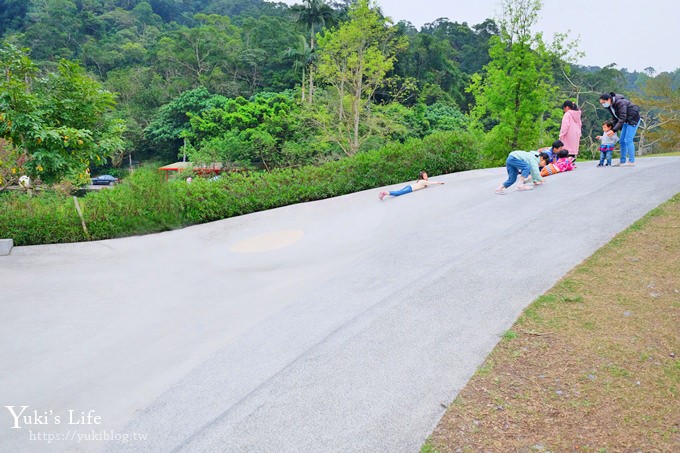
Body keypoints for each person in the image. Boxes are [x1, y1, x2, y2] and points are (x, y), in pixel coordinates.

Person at [599, 92, 641, 166]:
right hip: (625, 121)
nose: (603, 104)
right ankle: (622, 161)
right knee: (622, 140)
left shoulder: (620, 103)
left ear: (609, 99)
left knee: (629, 139)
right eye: (601, 103)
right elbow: (615, 118)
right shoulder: (609, 106)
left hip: (633, 119)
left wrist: (614, 130)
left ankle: (631, 161)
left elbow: (622, 117)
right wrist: (611, 128)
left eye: (603, 102)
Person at [379, 171, 445, 200]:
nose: (426, 176)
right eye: (425, 175)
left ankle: (385, 193)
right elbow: (431, 183)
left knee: (398, 191)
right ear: (422, 177)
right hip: (410, 189)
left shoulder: (422, 181)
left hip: (409, 186)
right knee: (398, 193)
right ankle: (385, 192)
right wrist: (439, 182)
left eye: (426, 175)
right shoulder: (424, 181)